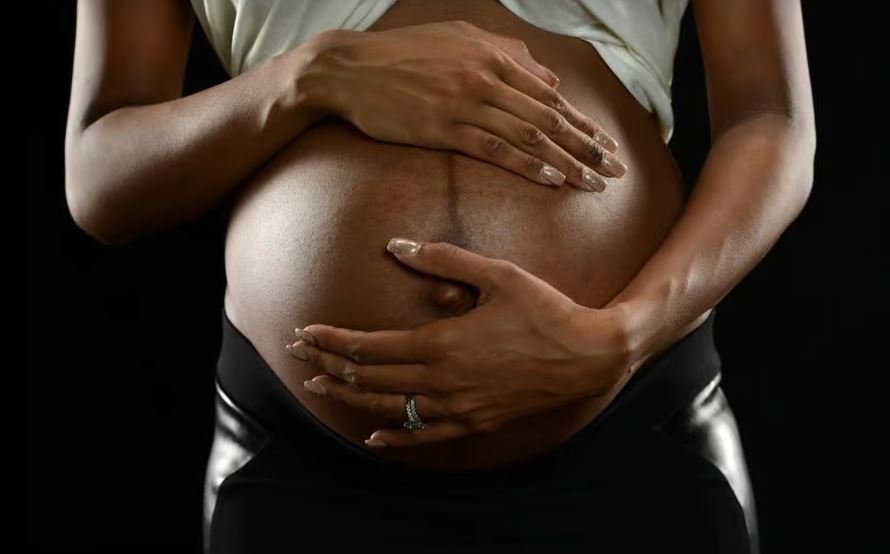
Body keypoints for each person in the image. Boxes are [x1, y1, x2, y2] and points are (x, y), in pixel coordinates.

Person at [64, 1, 815, 552]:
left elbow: (771, 117)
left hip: (629, 432)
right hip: (307, 469)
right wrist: (306, 78)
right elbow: (101, 173)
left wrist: (623, 336)